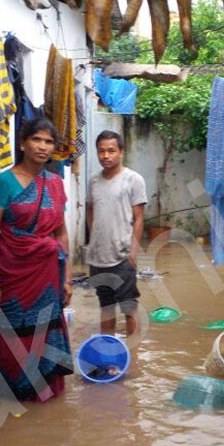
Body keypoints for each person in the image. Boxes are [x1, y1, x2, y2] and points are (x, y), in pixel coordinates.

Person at [0, 117, 73, 402]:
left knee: (46, 329)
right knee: (12, 334)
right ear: (23, 143)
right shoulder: (3, 183)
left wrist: (67, 278)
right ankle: (14, 397)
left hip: (47, 274)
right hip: (12, 274)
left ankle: (46, 398)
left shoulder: (56, 183)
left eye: (48, 142)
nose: (43, 147)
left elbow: (62, 233)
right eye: (37, 139)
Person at [86, 130, 147, 344]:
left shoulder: (133, 179)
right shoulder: (93, 181)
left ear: (121, 152)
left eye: (111, 151)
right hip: (97, 259)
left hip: (122, 258)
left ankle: (133, 355)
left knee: (129, 308)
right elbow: (90, 209)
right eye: (101, 151)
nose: (106, 155)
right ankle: (109, 355)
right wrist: (95, 238)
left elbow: (139, 218)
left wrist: (133, 253)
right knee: (106, 308)